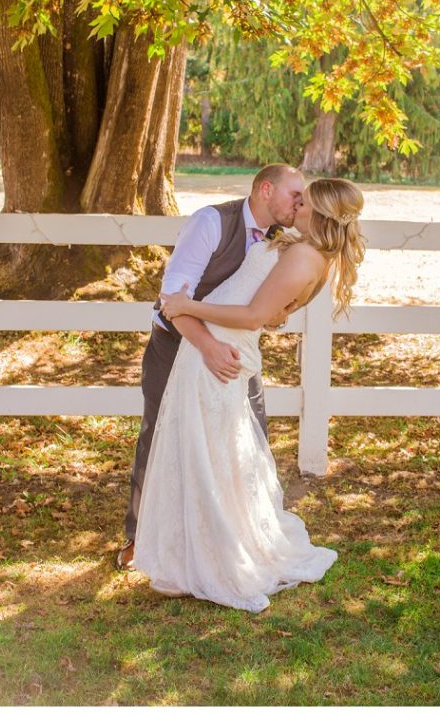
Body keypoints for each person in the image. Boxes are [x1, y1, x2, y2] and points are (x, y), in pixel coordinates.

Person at [132, 177, 365, 612]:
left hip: (221, 350)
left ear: (319, 213)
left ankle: (215, 557)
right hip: (208, 345)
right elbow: (272, 310)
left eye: (305, 200)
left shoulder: (304, 256)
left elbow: (257, 314)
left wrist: (187, 307)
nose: (297, 204)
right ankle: (186, 554)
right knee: (204, 449)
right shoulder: (300, 246)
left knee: (211, 454)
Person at [116, 164, 305, 570]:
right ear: (266, 190)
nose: (300, 203)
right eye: (295, 195)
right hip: (177, 343)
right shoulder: (211, 223)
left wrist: (273, 315)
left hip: (237, 352)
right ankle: (139, 537)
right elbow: (171, 299)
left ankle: (242, 535)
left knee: (250, 434)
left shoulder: (285, 238)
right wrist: (207, 347)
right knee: (161, 433)